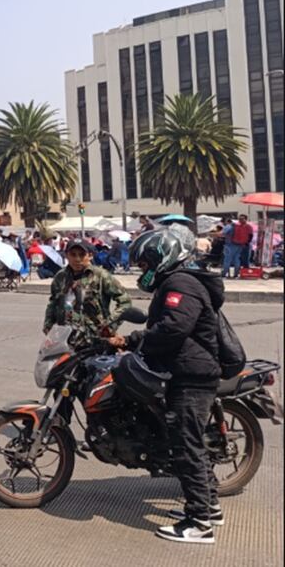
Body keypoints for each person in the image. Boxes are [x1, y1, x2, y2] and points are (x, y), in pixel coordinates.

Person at [112, 228, 224, 544]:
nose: (144, 270)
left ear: (164, 257)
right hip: (187, 371)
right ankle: (210, 505)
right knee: (191, 443)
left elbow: (174, 328)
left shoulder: (180, 283)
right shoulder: (177, 282)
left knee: (186, 446)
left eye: (147, 264)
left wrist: (135, 341)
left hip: (192, 376)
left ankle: (200, 523)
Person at [42, 239, 132, 335]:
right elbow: (53, 302)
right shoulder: (60, 277)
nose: (77, 259)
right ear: (67, 256)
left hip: (95, 338)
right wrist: (48, 325)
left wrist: (109, 326)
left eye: (82, 255)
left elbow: (125, 301)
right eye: (73, 254)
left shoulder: (101, 276)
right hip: (65, 337)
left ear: (90, 255)